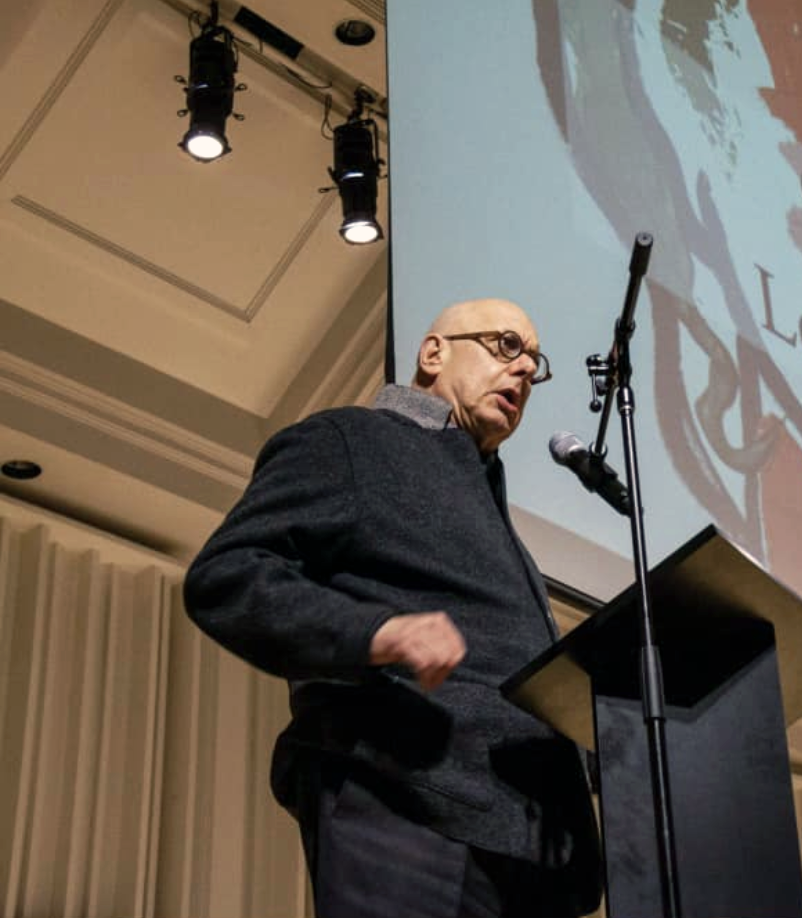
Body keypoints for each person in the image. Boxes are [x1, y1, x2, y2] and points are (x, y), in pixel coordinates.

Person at [184, 298, 601, 918]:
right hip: (409, 807)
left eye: (533, 364)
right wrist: (374, 632)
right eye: (506, 347)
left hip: (532, 854)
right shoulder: (351, 441)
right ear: (433, 353)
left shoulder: (491, 506)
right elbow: (228, 575)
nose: (522, 372)